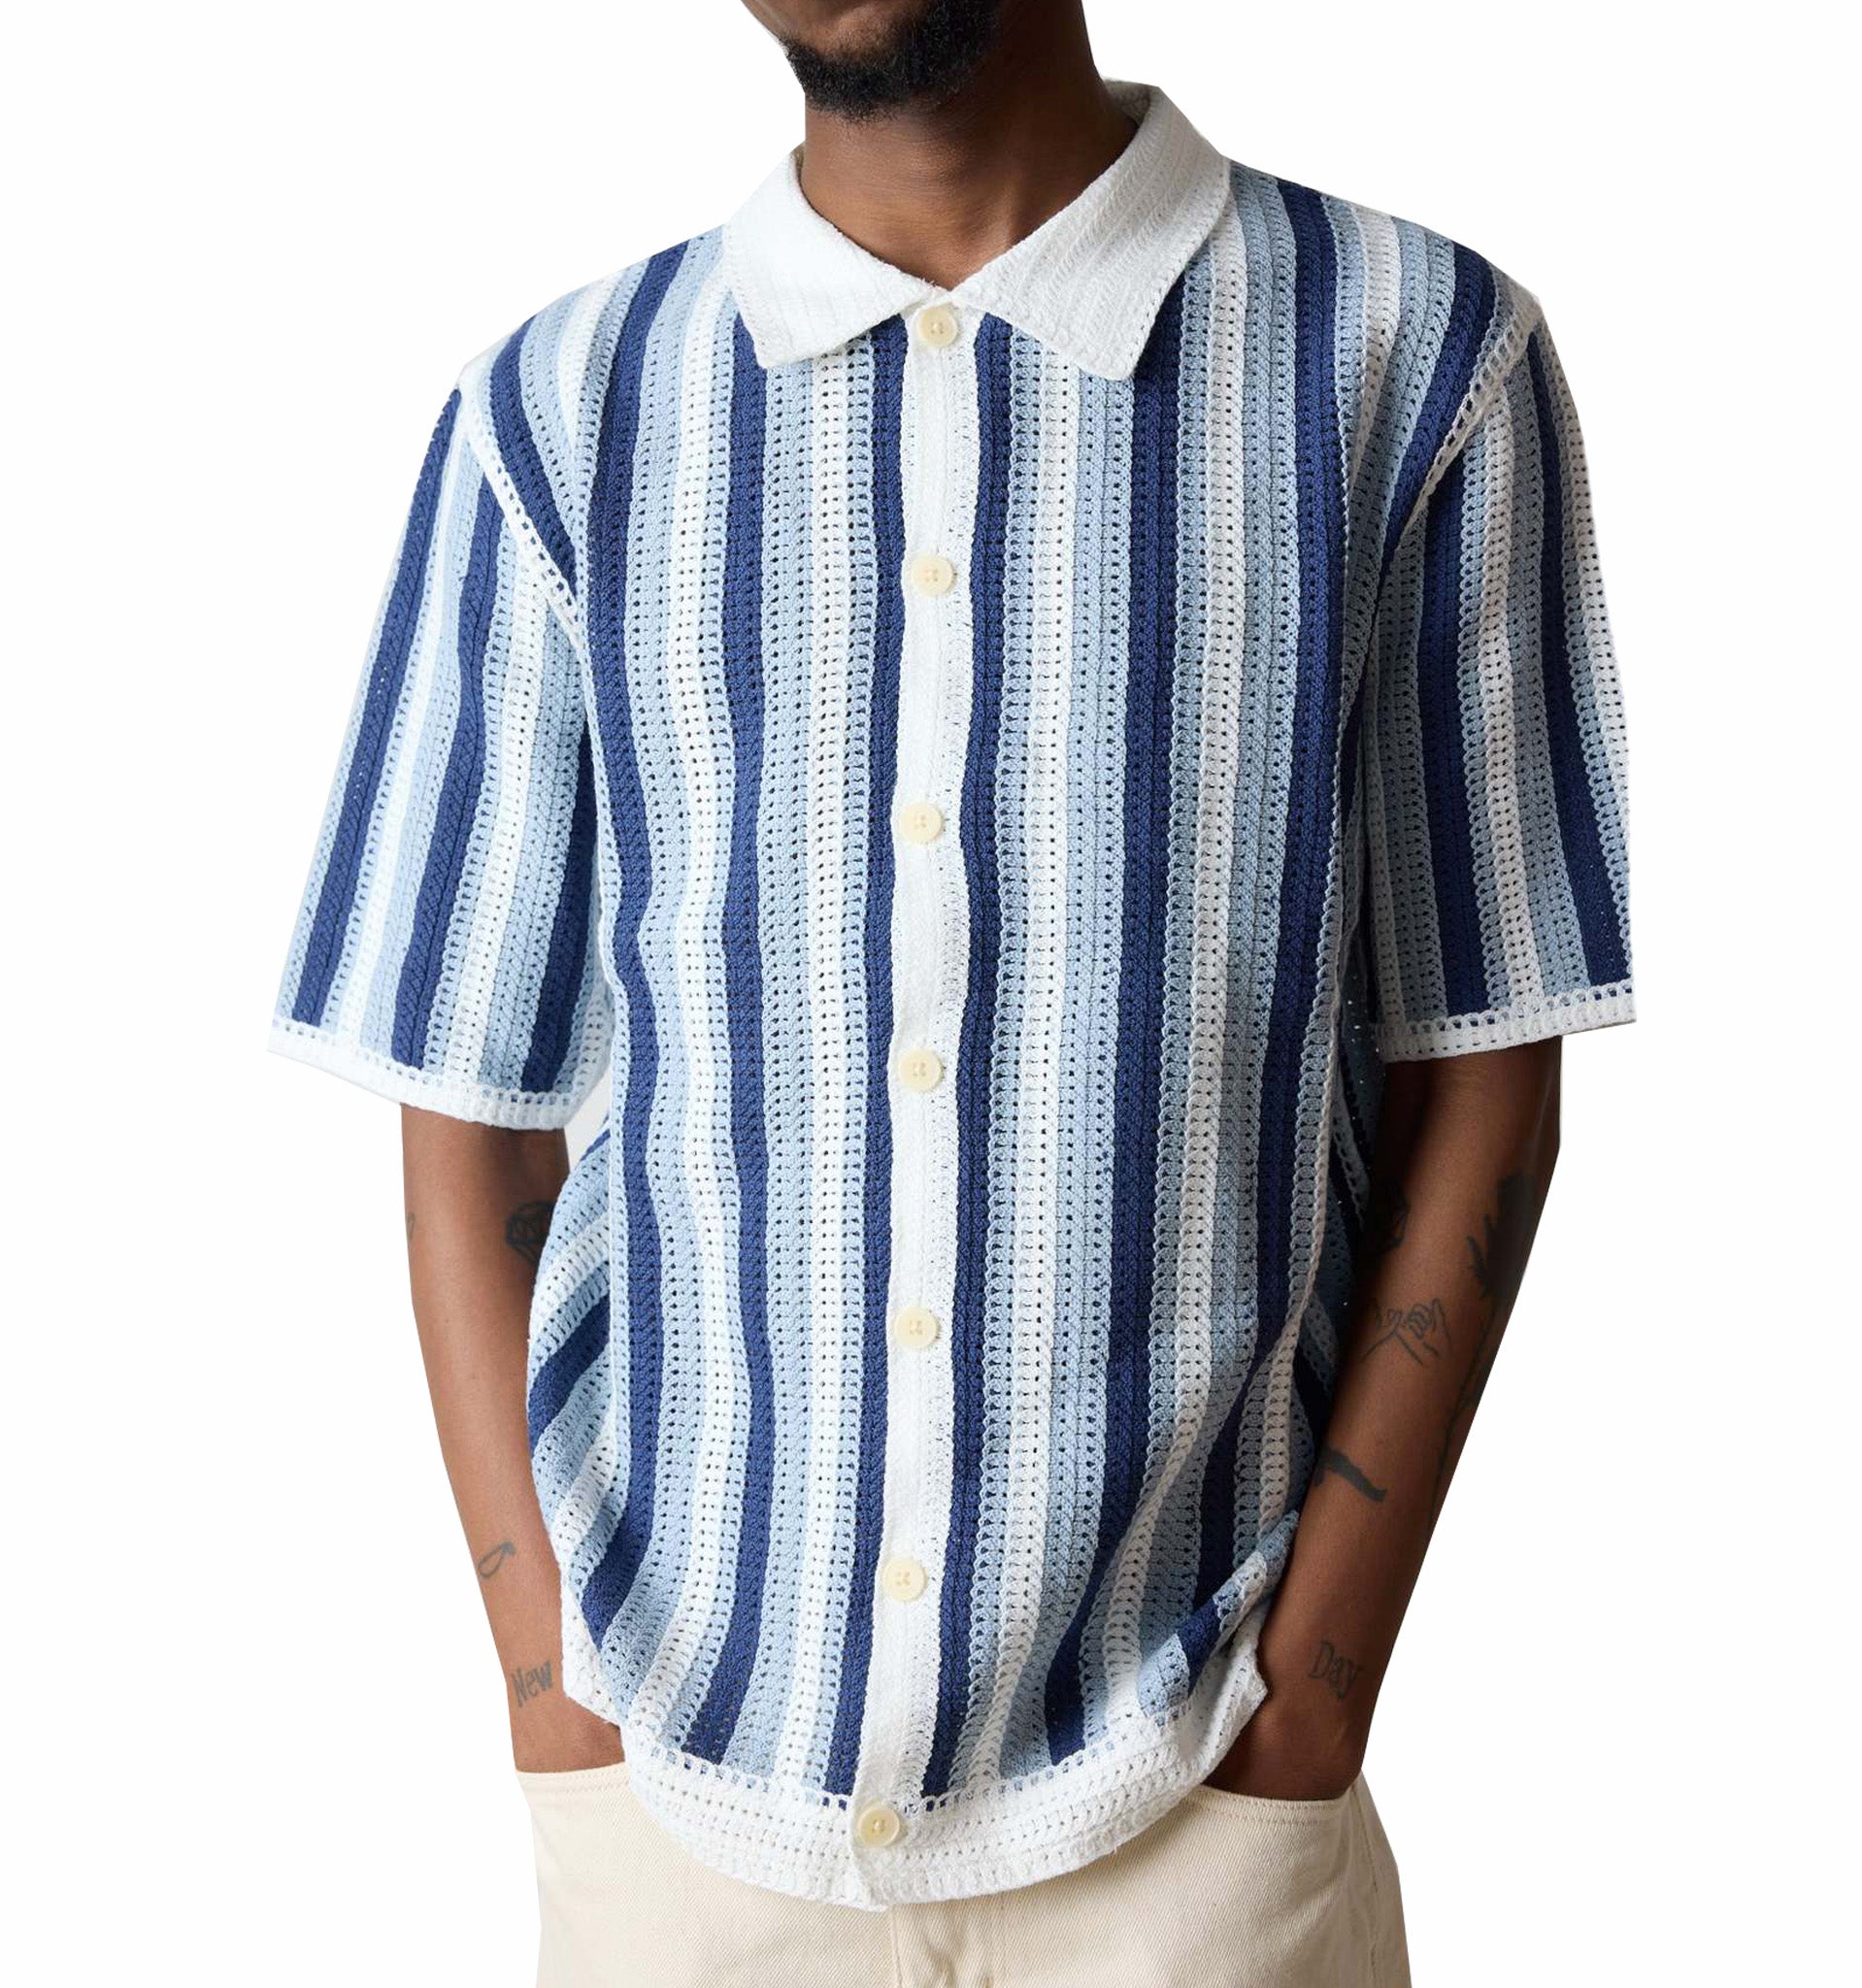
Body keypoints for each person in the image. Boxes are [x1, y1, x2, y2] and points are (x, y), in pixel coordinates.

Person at [268, 1, 1635, 1979]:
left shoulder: (1409, 357)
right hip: (681, 1821)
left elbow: (1482, 1062)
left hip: (1200, 1809)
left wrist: (1311, 1701)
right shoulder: (562, 410)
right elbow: (461, 1101)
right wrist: (551, 1700)